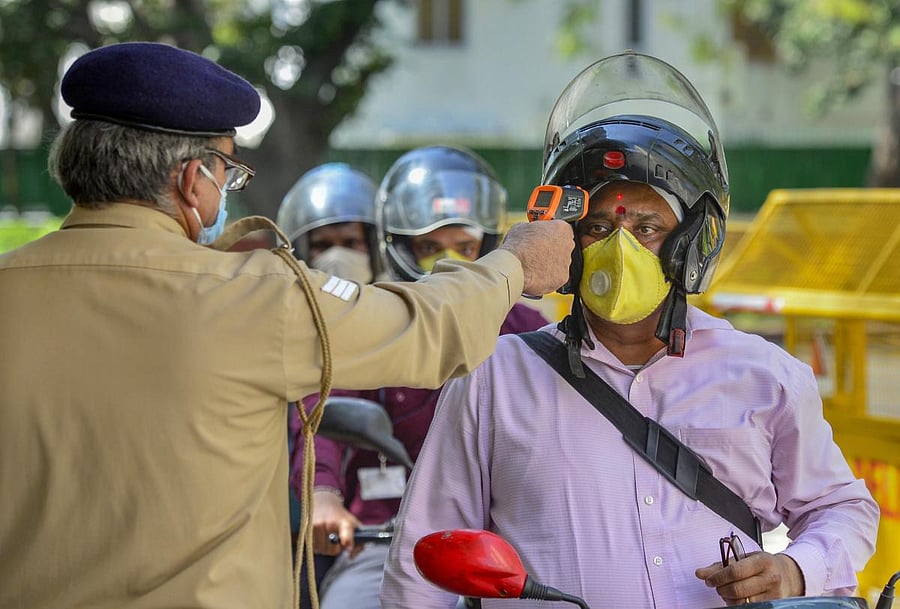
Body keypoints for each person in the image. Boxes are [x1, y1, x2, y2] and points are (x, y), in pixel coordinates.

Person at [0, 42, 574, 609]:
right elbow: (427, 326)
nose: (225, 194)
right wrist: (516, 263)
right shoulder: (250, 298)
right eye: (228, 174)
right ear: (191, 179)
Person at [381, 51, 879, 609]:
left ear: (690, 244)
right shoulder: (491, 377)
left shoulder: (765, 375)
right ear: (567, 242)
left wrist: (795, 569)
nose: (621, 248)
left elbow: (843, 509)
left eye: (647, 228)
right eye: (597, 226)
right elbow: (421, 560)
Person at [289, 145, 549, 609]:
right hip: (391, 544)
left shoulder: (530, 330)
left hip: (511, 551)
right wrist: (324, 495)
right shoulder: (380, 320)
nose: (446, 263)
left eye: (463, 248)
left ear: (488, 245)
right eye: (430, 248)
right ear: (400, 246)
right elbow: (322, 406)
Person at [277, 163, 385, 285]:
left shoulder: (396, 302)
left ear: (373, 247)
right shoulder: (282, 302)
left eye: (351, 243)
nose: (336, 257)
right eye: (322, 245)